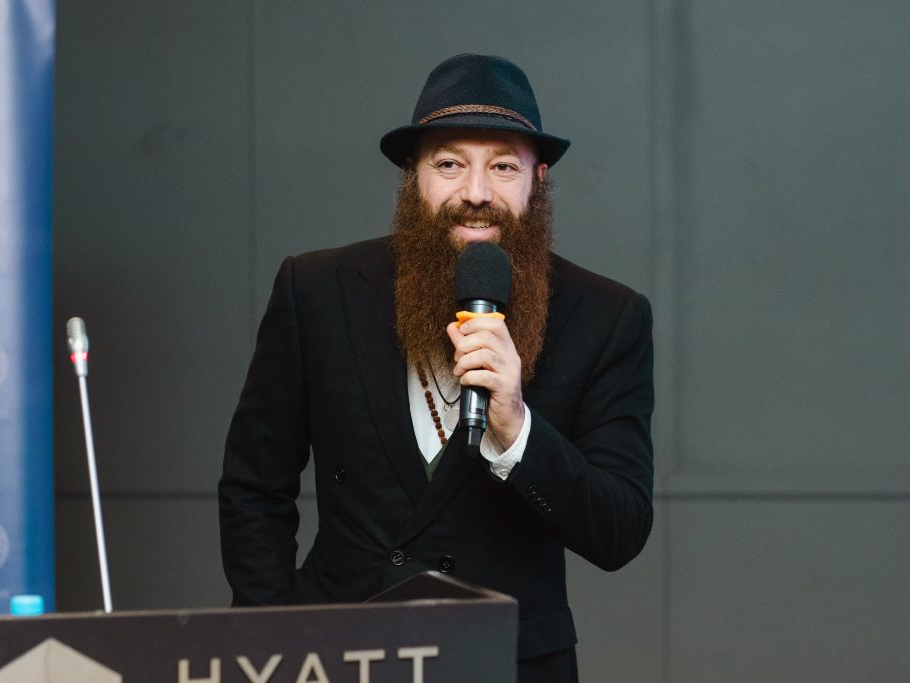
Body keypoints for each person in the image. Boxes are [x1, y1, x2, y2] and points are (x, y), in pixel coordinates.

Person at [218, 53, 654, 682]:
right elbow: (255, 488)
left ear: (538, 180)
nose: (475, 193)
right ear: (412, 176)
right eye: (449, 164)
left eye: (503, 166)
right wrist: (270, 645)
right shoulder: (317, 289)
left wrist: (517, 428)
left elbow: (619, 531)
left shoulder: (607, 316)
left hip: (507, 662)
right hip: (338, 654)